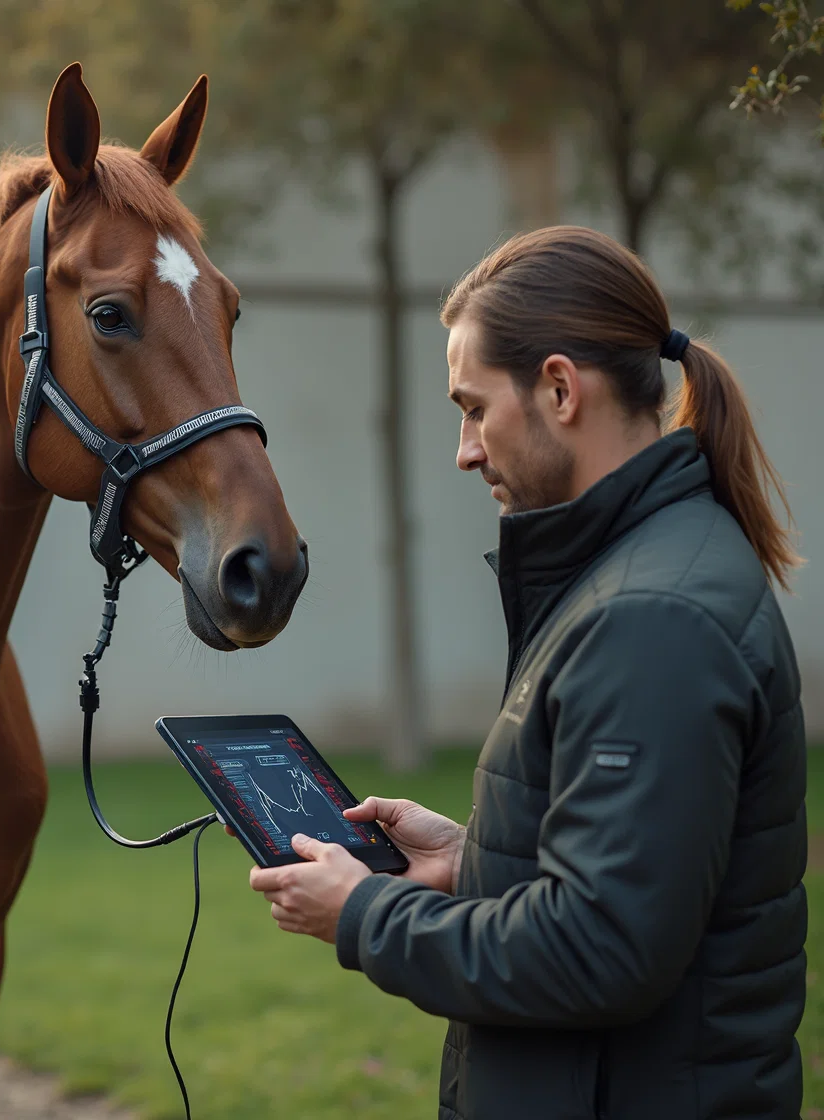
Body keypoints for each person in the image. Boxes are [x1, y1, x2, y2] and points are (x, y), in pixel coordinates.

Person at [248, 226, 807, 1119]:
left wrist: (363, 913)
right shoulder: (635, 575)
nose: (465, 450)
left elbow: (601, 950)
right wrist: (470, 861)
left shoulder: (650, 616)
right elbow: (642, 877)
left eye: (473, 408)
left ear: (558, 388)